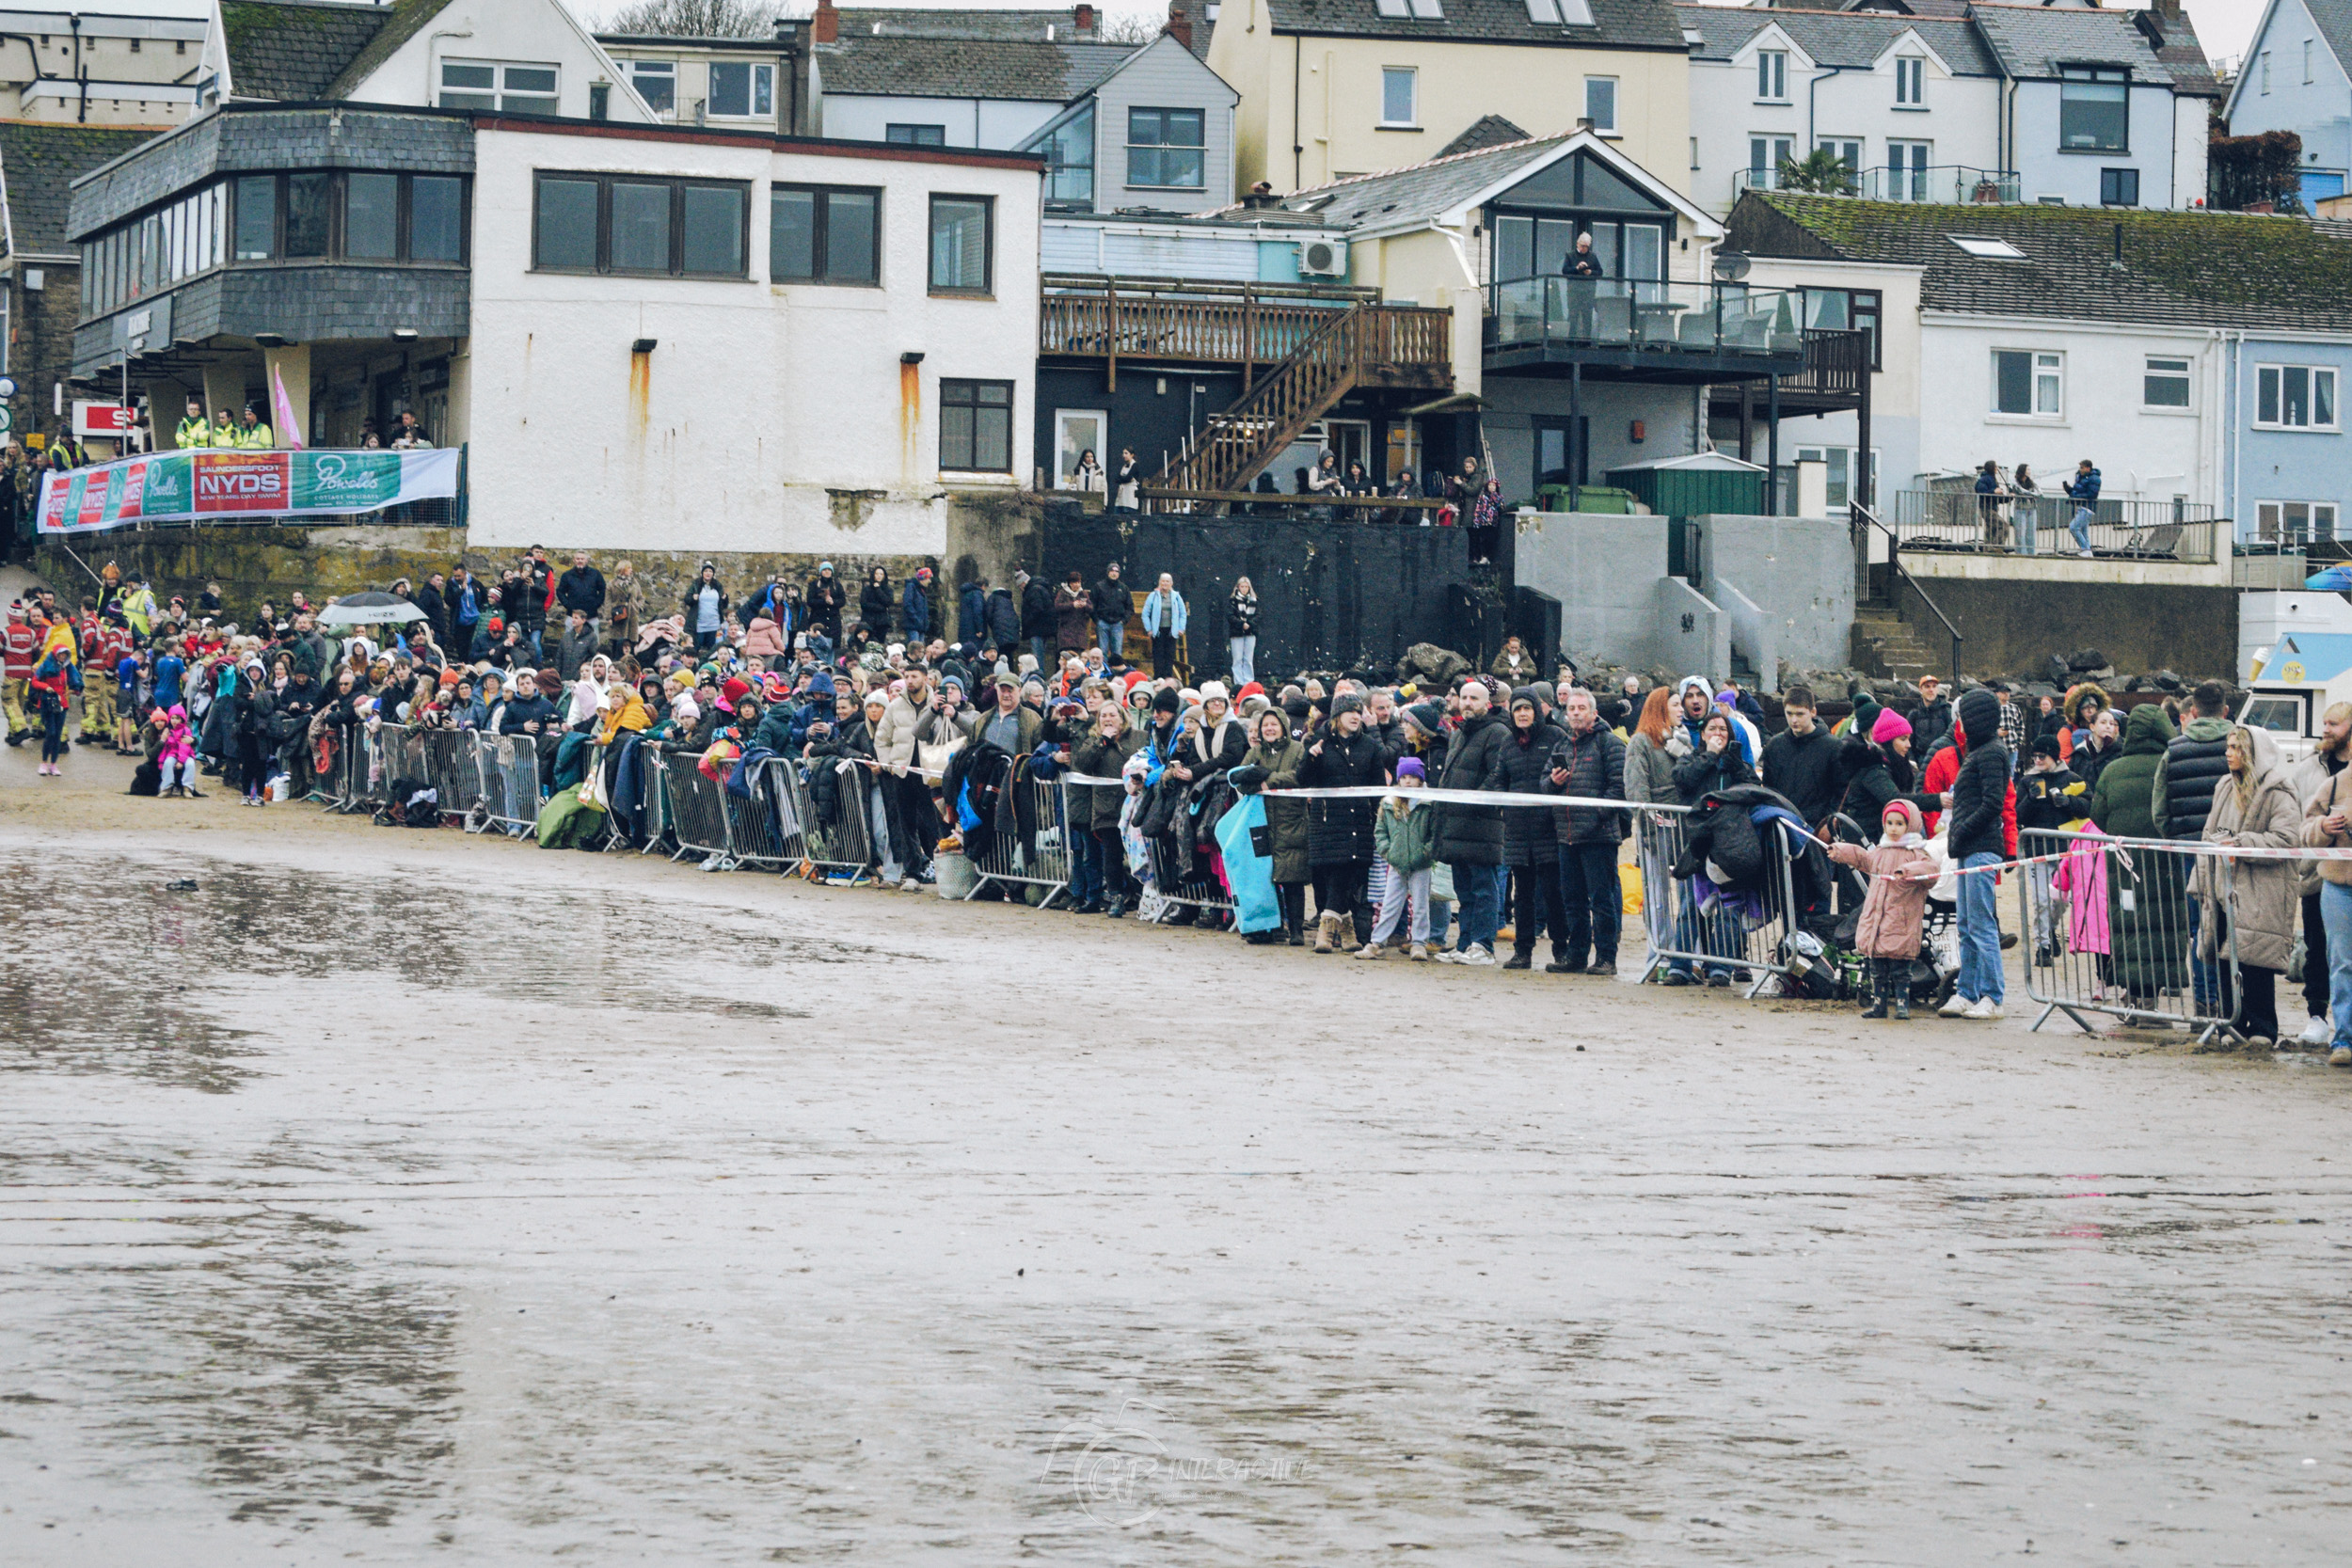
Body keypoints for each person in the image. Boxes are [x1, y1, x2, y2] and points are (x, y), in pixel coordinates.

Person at [2194, 724, 2300, 1052]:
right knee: (2224, 957)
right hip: (2224, 885)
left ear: (2254, 753)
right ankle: (2231, 1023)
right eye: (2228, 746)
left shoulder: (2278, 791)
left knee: (2256, 961)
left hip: (2260, 889)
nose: (2229, 753)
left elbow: (2287, 839)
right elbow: (2209, 831)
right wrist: (2201, 878)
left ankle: (2264, 1027)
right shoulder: (2224, 786)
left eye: (2236, 747)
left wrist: (2242, 844)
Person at [2156, 681, 2234, 1014]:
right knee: (2235, 927)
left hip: (2190, 849)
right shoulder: (2242, 746)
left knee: (2198, 929)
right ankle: (2234, 1004)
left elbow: (2160, 810)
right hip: (2235, 850)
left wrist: (2178, 835)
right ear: (2226, 711)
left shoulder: (2174, 749)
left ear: (2194, 712)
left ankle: (2205, 1004)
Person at [1826, 800, 1938, 1021]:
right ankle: (1879, 1005)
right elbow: (1862, 859)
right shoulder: (1880, 851)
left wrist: (1908, 871)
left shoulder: (1917, 853)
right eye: (1890, 823)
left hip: (1901, 923)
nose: (1894, 828)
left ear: (1910, 825)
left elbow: (1931, 871)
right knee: (1877, 969)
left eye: (1899, 823)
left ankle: (1902, 1005)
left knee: (1901, 970)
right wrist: (1840, 851)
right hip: (1876, 922)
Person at [1937, 689, 2010, 1021]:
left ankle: (1992, 996)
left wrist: (1963, 830)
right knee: (1966, 925)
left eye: (1964, 717)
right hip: (1968, 849)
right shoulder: (1978, 751)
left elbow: (1993, 803)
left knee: (1982, 926)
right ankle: (1966, 992)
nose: (1960, 723)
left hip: (1981, 848)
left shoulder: (1992, 753)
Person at [1299, 691, 1391, 953]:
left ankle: (1336, 932)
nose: (1355, 716)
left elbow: (1376, 789)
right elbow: (1302, 779)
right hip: (1327, 821)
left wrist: (1379, 821)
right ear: (1337, 716)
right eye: (1350, 711)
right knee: (1338, 873)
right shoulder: (1320, 741)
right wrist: (1311, 757)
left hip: (1359, 821)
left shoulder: (1370, 745)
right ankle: (1334, 933)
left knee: (1349, 874)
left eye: (1358, 711)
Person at [1548, 685, 1628, 976]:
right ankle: (1577, 954)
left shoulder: (1610, 744)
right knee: (1573, 900)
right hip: (1566, 834)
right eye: (1571, 709)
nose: (1576, 713)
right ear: (1565, 713)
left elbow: (1618, 788)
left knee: (1602, 899)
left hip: (1598, 836)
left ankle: (1607, 957)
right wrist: (1554, 783)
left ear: (1594, 713)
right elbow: (1545, 786)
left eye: (1582, 708)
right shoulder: (1562, 746)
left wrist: (1596, 817)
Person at [1434, 679, 1507, 965]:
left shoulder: (1497, 732)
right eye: (1464, 697)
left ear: (1487, 703)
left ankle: (1483, 945)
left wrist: (1473, 801)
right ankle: (1465, 943)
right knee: (1464, 892)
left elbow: (1496, 777)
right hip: (1456, 825)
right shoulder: (1458, 733)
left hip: (1482, 825)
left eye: (1474, 698)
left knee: (1484, 888)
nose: (1467, 703)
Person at [1235, 705, 1309, 944]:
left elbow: (1300, 776)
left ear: (1283, 727)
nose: (1269, 729)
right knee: (1264, 878)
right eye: (1265, 725)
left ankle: (1297, 929)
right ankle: (1273, 926)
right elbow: (1240, 779)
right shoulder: (1254, 752)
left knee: (1292, 878)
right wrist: (1258, 779)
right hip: (1261, 821)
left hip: (1291, 820)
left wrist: (1267, 780)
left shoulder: (1298, 749)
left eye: (1273, 724)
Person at [1359, 757, 1437, 960]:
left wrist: (1426, 853)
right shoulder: (1388, 803)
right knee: (1389, 904)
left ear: (1420, 780)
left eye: (1412, 777)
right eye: (1404, 777)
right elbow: (1380, 831)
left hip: (1421, 864)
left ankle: (1419, 943)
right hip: (1396, 862)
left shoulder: (1429, 803)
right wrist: (1388, 852)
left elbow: (1435, 833)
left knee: (1420, 906)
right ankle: (1377, 942)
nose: (1408, 781)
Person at [1761, 685, 1841, 827]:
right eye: (1789, 713)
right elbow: (1769, 789)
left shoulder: (1833, 747)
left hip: (1818, 826)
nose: (1794, 720)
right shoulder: (1774, 746)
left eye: (1799, 714)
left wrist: (1829, 822)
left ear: (1813, 712)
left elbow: (1841, 790)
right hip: (1782, 822)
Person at [1141, 574, 1186, 680]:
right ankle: (1158, 679)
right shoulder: (1153, 596)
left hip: (1172, 631)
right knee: (1158, 656)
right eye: (1163, 581)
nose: (1165, 583)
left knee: (1169, 656)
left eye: (1167, 581)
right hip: (1158, 632)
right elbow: (1145, 614)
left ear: (1171, 583)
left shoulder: (1176, 596)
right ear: (1159, 582)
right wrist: (1149, 629)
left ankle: (1168, 679)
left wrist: (1181, 628)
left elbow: (1183, 613)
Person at [682, 562, 728, 652]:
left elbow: (723, 605)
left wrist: (724, 599)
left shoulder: (717, 586)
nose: (708, 573)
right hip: (699, 625)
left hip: (714, 624)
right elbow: (687, 600)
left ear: (713, 574)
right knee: (695, 649)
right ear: (702, 573)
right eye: (706, 571)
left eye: (710, 571)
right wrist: (693, 598)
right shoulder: (696, 585)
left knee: (712, 651)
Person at [1053, 571, 1093, 658]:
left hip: (1080, 632)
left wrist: (1085, 605)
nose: (1077, 585)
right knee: (1066, 657)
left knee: (1079, 657)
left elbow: (1091, 608)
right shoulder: (1062, 593)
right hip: (1066, 632)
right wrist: (1072, 605)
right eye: (1075, 582)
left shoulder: (1083, 593)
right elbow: (1057, 606)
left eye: (1079, 582)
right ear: (1070, 583)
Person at [2064, 458, 2101, 556]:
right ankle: (2087, 551)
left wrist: (2075, 496)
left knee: (2073, 527)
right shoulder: (2082, 478)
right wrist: (2069, 490)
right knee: (2083, 531)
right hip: (2080, 507)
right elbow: (2079, 491)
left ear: (2088, 468)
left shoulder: (2094, 478)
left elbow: (2092, 494)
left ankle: (2086, 549)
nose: (2080, 470)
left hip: (2087, 508)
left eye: (2082, 468)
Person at [806, 562, 847, 645]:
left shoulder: (837, 585)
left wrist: (833, 602)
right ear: (821, 572)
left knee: (833, 645)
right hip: (818, 619)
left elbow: (842, 600)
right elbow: (810, 601)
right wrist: (824, 602)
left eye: (829, 570)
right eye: (824, 570)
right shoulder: (814, 585)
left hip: (834, 621)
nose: (827, 572)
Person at [1092, 563, 1128, 658]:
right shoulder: (1099, 586)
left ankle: (1115, 672)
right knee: (1102, 652)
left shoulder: (1124, 588)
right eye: (1112, 571)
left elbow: (1129, 607)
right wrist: (1097, 620)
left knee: (1117, 653)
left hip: (1118, 624)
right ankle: (1104, 671)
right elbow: (1092, 605)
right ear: (1108, 572)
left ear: (1119, 574)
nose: (1114, 573)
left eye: (1116, 571)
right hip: (1102, 623)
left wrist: (1123, 621)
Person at [1227, 578, 1258, 689]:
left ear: (1249, 588)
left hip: (1250, 633)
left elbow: (1258, 616)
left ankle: (1249, 681)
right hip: (1237, 633)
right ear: (1238, 587)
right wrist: (1241, 624)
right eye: (1242, 586)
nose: (1244, 589)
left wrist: (1249, 624)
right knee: (1237, 658)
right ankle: (1239, 682)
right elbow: (1230, 616)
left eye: (1246, 587)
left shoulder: (1254, 600)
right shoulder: (1233, 600)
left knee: (1248, 658)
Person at [1974, 459, 2010, 549]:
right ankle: (1996, 547)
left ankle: (1989, 548)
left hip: (1991, 508)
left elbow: (1996, 498)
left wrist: (2008, 497)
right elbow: (1982, 493)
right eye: (1995, 466)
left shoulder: (1991, 479)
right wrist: (1994, 491)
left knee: (1991, 531)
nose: (1997, 468)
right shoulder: (1984, 479)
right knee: (2003, 526)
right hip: (1987, 509)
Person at [2011, 462, 2041, 554]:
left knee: (2031, 533)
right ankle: (2021, 553)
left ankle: (2031, 553)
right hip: (2020, 509)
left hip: (2031, 509)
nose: (2029, 471)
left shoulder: (2032, 483)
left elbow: (2040, 493)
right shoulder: (2015, 483)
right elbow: (2019, 490)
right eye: (2028, 469)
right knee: (2020, 533)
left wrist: (2029, 493)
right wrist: (2031, 494)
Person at [860, 565, 895, 641]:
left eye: (881, 574)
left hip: (882, 622)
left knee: (880, 643)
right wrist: (880, 607)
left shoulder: (888, 589)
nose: (879, 576)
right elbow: (864, 604)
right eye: (877, 574)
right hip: (868, 620)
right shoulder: (867, 589)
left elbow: (888, 602)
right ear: (873, 575)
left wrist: (878, 589)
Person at [1112, 448, 1141, 513]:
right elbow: (1116, 478)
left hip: (1130, 495)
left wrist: (1121, 479)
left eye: (1126, 453)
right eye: (1123, 453)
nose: (1124, 455)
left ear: (1132, 455)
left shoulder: (1135, 466)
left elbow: (1128, 478)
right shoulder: (1124, 466)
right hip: (1121, 496)